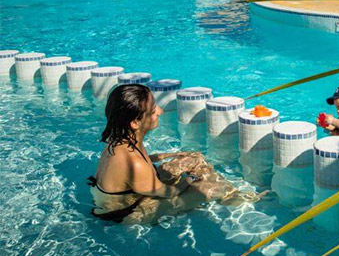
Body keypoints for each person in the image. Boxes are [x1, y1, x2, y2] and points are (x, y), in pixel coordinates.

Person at [89, 84, 259, 224]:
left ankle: (222, 192)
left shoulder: (120, 139)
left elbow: (134, 168)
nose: (160, 112)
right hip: (128, 211)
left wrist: (166, 156)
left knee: (194, 157)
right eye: (153, 110)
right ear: (135, 122)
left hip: (127, 194)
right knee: (208, 188)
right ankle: (234, 198)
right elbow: (170, 192)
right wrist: (188, 181)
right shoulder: (135, 163)